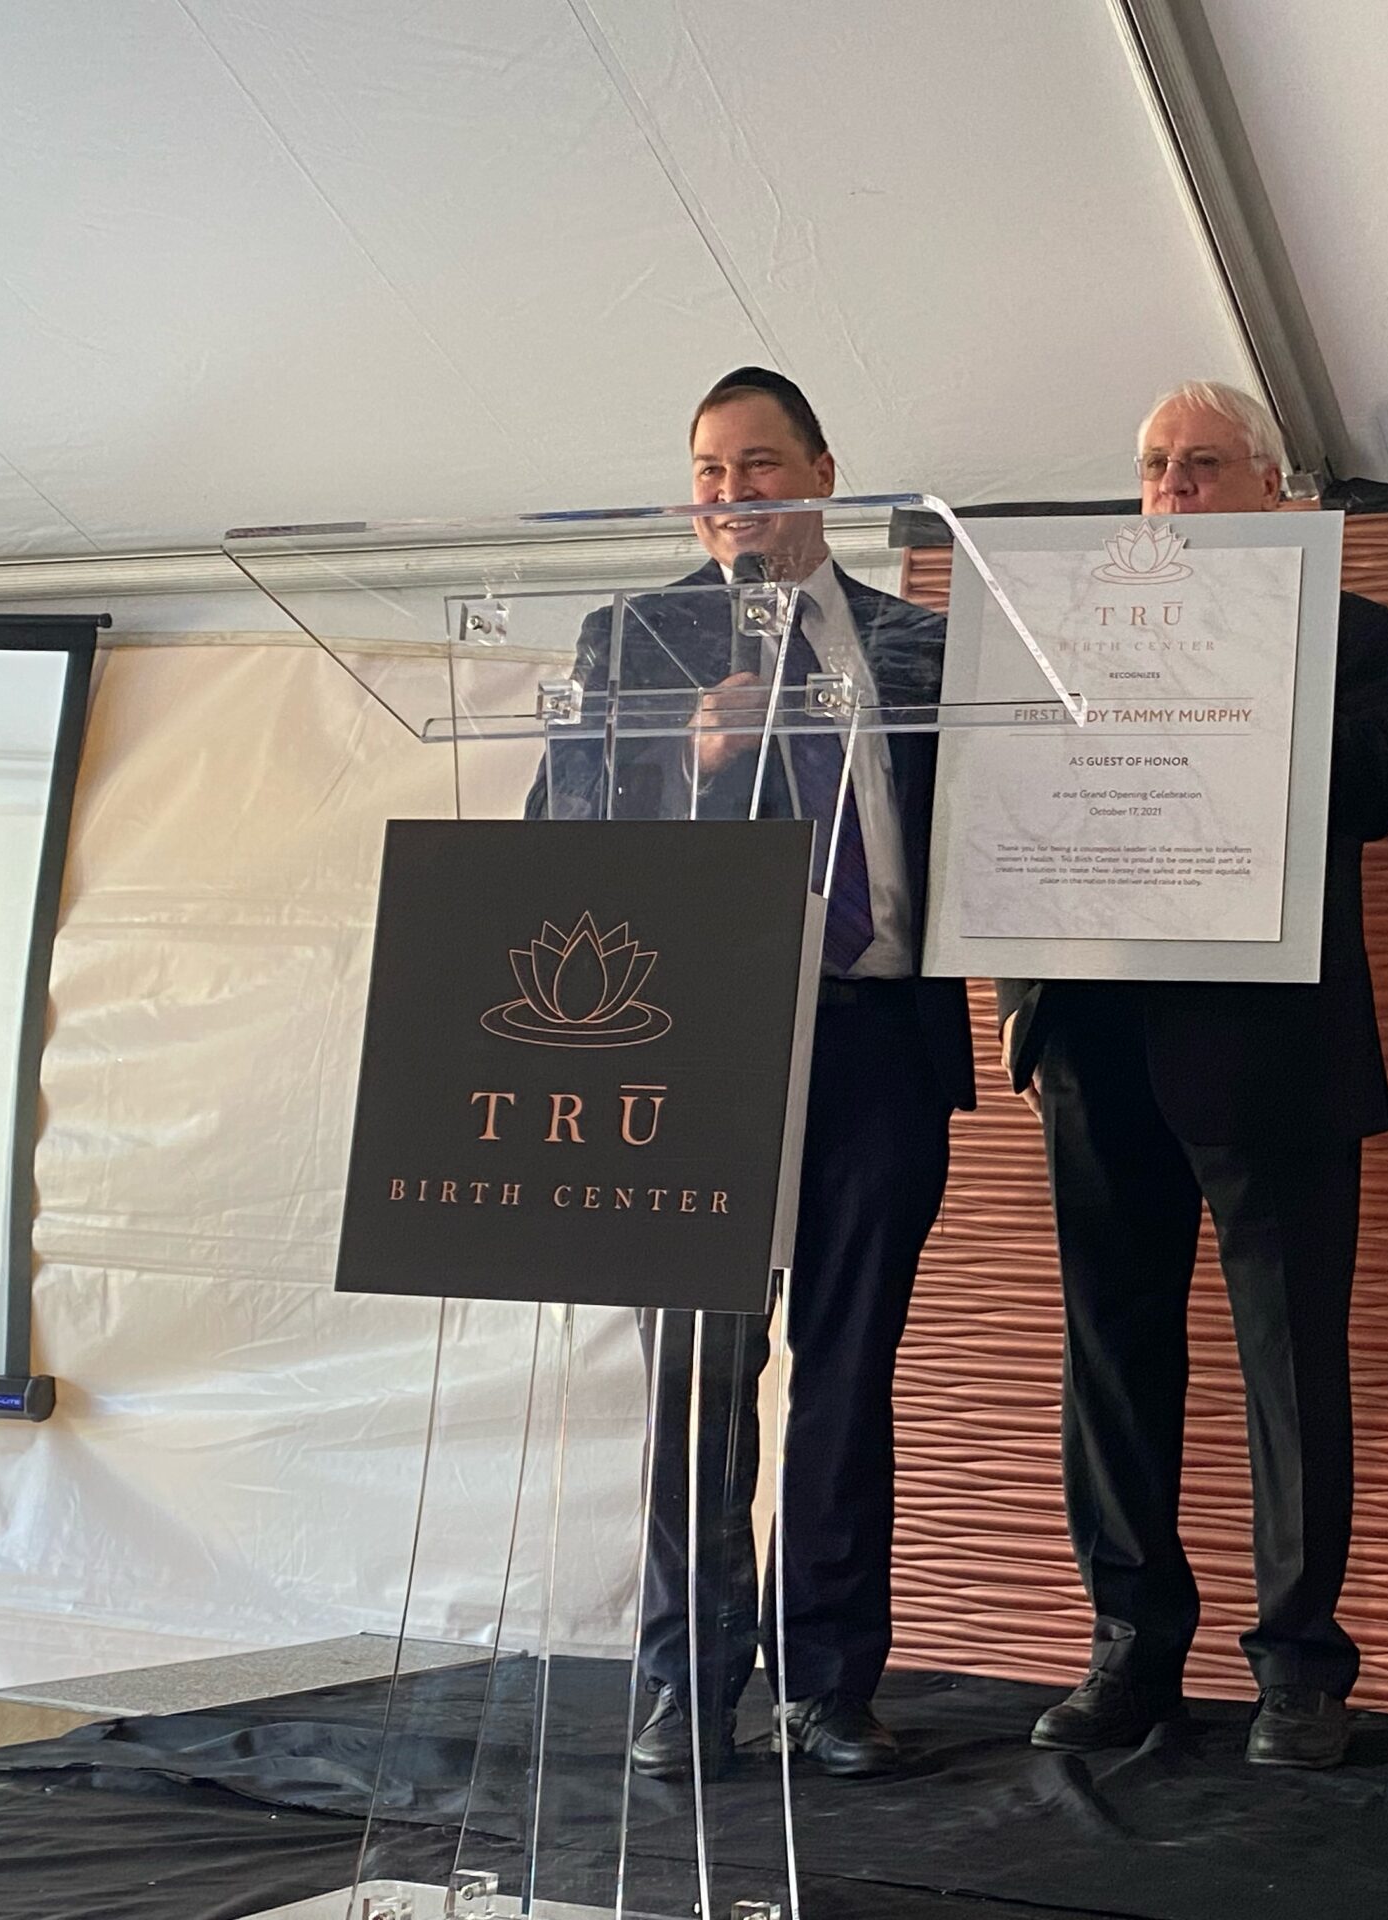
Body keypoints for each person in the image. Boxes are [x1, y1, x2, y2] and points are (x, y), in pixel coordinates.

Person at [531, 366, 974, 1781]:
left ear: (824, 475)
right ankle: (688, 1683)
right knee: (699, 1380)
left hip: (880, 1042)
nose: (732, 495)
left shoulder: (920, 645)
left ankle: (829, 1689)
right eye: (710, 473)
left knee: (848, 1375)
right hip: (699, 1045)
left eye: (759, 465)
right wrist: (689, 751)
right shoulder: (633, 639)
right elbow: (560, 828)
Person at [996, 380, 1388, 1769]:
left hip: (1270, 1058)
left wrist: (1251, 660)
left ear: (1273, 492)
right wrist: (1021, 1000)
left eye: (1202, 466)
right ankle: (1130, 1651)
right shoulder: (1058, 629)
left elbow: (1378, 794)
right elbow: (1012, 802)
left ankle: (1299, 1669)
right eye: (1154, 468)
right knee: (1111, 1361)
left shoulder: (1353, 630)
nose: (1171, 490)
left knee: (1291, 1366)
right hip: (1096, 1044)